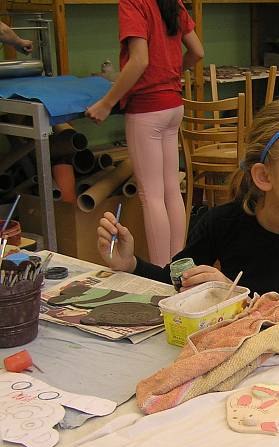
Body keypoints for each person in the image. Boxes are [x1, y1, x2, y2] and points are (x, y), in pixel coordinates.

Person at [96, 94, 279, 301]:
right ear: (264, 177)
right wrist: (129, 263)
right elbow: (176, 280)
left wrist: (234, 296)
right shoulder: (221, 222)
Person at [85, 0, 204, 266]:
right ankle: (178, 267)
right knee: (171, 189)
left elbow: (139, 60)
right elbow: (197, 51)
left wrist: (107, 103)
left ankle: (162, 272)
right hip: (174, 105)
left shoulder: (133, 2)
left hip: (147, 109)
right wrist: (170, 73)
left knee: (151, 195)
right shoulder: (172, 2)